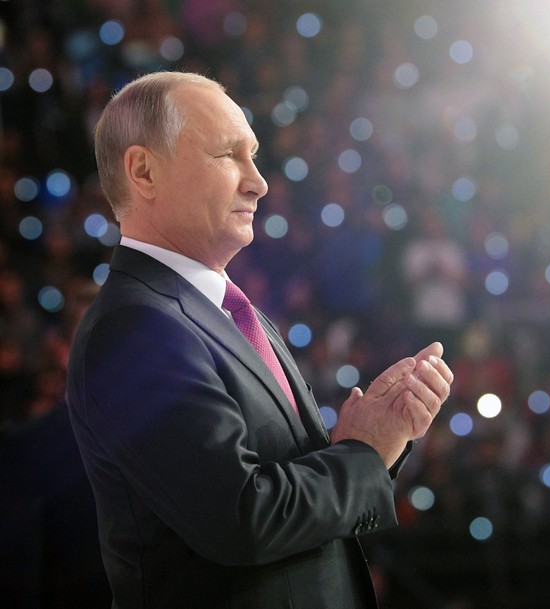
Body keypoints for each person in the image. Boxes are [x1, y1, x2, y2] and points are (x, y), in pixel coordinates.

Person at [66, 71, 453, 609]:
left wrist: (376, 439)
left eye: (254, 156)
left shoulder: (231, 313)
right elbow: (242, 517)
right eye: (228, 155)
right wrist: (364, 455)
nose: (259, 182)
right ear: (143, 171)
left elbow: (290, 486)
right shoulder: (134, 327)